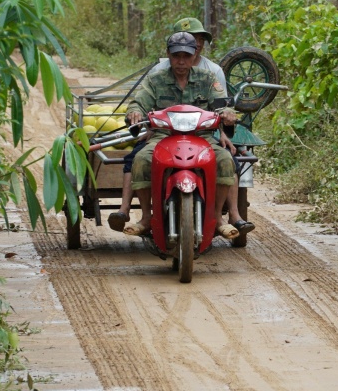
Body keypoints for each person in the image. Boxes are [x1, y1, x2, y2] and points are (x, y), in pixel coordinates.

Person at [108, 18, 254, 236]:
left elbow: (221, 103)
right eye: (177, 56)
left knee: (225, 161)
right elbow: (138, 102)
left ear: (195, 55)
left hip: (202, 138)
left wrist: (227, 115)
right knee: (139, 160)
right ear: (169, 55)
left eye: (187, 56)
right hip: (163, 137)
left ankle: (215, 218)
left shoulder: (208, 77)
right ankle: (147, 218)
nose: (181, 61)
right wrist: (135, 113)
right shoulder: (156, 79)